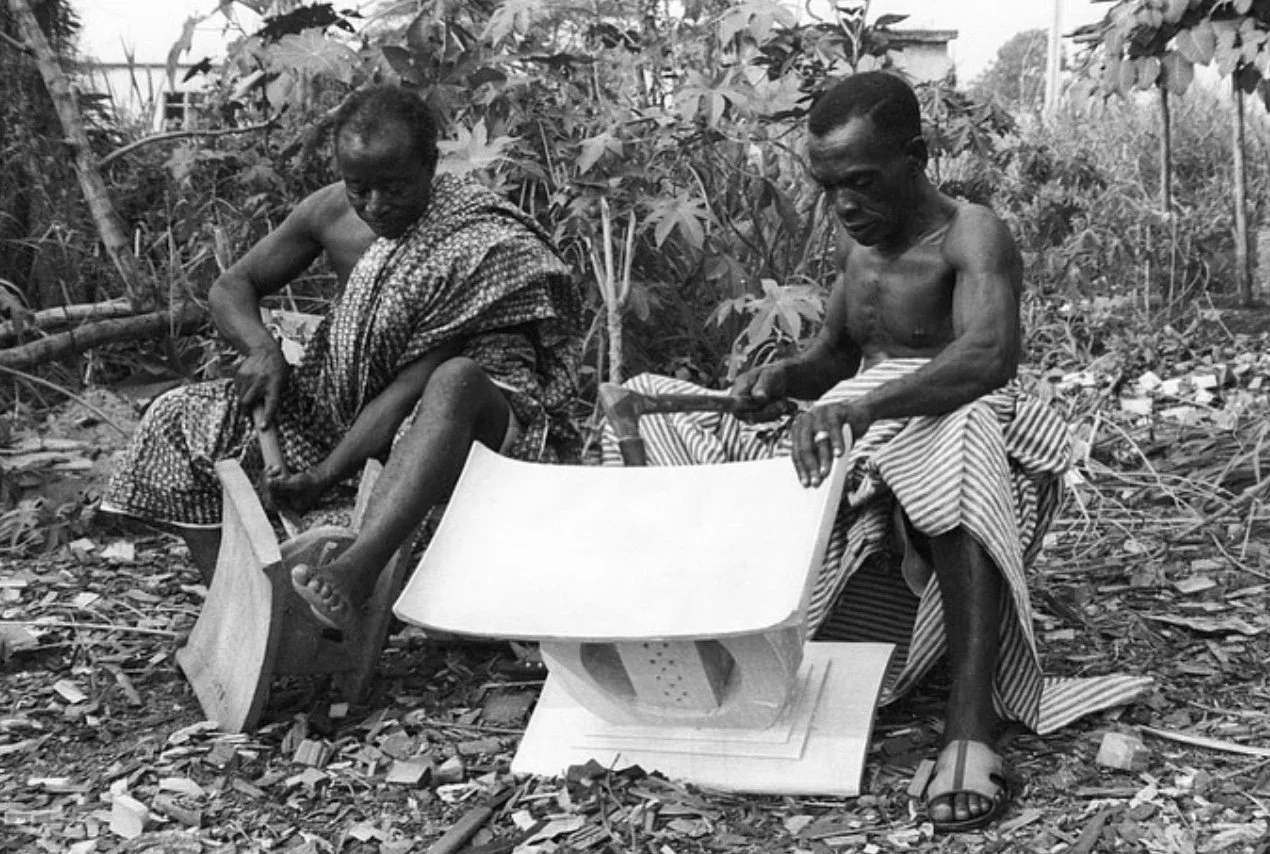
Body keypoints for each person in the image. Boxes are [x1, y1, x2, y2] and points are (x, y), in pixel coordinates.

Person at [600, 72, 1149, 832]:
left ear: (915, 154)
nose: (846, 205)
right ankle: (708, 644)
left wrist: (865, 410)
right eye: (830, 189)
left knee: (957, 439)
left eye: (861, 182)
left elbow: (989, 357)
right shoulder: (858, 250)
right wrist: (783, 377)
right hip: (857, 430)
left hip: (943, 423)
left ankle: (969, 724)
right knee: (648, 400)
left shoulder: (970, 233)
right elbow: (833, 357)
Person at [102, 85, 582, 631]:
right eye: (360, 188)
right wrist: (262, 349)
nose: (375, 206)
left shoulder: (476, 244)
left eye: (394, 188)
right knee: (177, 416)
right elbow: (232, 285)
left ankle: (357, 571)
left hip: (439, 427)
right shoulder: (330, 210)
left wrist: (324, 476)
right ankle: (244, 611)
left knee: (454, 380)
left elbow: (409, 390)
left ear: (431, 165)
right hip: (336, 411)